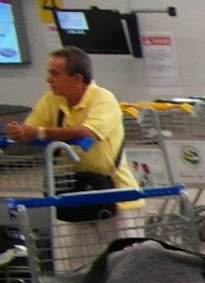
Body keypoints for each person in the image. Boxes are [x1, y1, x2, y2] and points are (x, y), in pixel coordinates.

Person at [4, 46, 143, 260]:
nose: (48, 79)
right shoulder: (51, 99)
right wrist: (19, 133)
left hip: (116, 197)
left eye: (55, 74)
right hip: (71, 193)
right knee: (71, 265)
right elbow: (29, 130)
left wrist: (40, 133)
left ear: (77, 78)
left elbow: (88, 132)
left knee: (122, 265)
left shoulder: (103, 99)